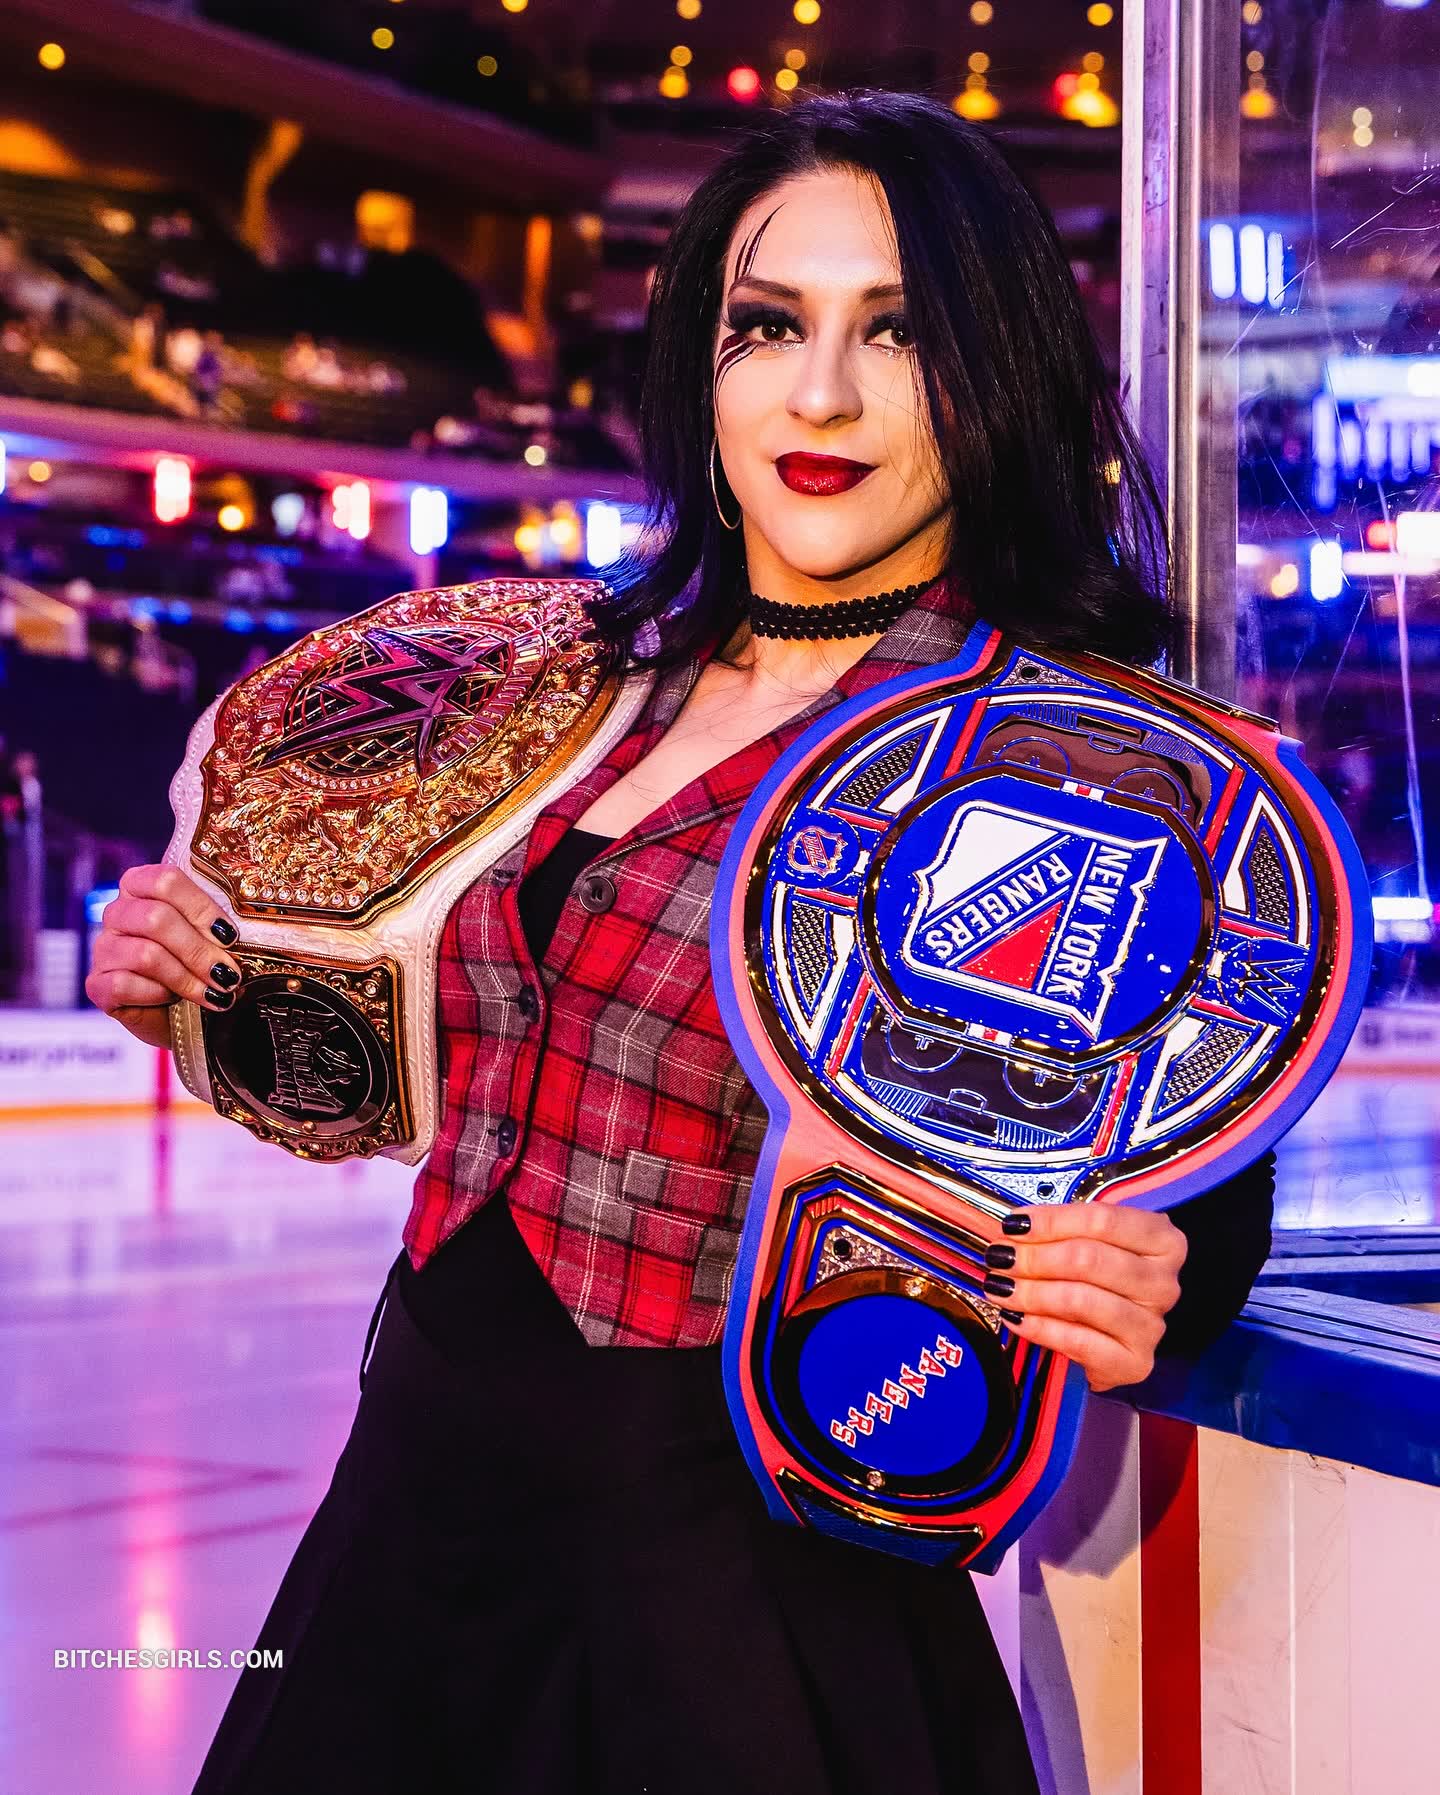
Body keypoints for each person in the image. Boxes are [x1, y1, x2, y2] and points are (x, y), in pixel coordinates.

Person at [87, 91, 1275, 1795]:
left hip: (741, 1583)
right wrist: (192, 989)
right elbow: (430, 1065)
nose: (820, 395)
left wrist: (1159, 1272)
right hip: (416, 1515)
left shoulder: (1071, 762)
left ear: (998, 371)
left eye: (898, 334)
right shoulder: (569, 681)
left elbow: (1198, 1164)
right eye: (766, 326)